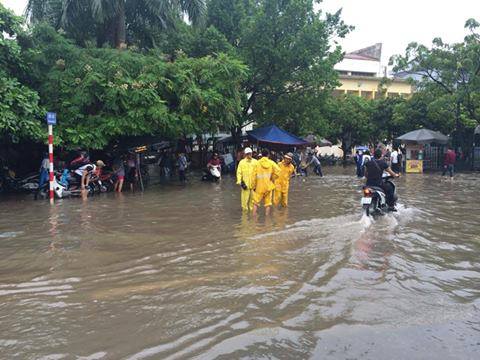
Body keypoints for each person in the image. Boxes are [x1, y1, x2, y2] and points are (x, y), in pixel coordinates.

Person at [252, 149, 280, 216]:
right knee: (268, 204)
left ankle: (253, 219)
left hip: (259, 187)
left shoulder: (257, 163)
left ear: (261, 154)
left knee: (255, 203)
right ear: (268, 155)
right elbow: (278, 171)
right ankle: (267, 220)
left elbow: (253, 176)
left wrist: (253, 186)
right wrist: (272, 178)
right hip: (268, 186)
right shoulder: (271, 163)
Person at [236, 147, 258, 211]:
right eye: (248, 154)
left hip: (254, 185)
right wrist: (240, 182)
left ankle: (251, 217)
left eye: (250, 154)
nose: (249, 155)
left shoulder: (255, 162)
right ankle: (244, 217)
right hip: (245, 185)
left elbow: (258, 173)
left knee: (253, 202)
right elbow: (239, 173)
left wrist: (258, 183)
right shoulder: (242, 162)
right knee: (244, 202)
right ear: (245, 154)